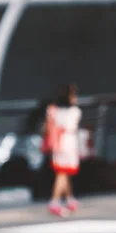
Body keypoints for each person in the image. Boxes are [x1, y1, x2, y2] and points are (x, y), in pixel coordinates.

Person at [44, 84, 82, 216]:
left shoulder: (52, 110)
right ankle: (54, 201)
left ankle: (70, 199)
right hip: (68, 142)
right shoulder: (74, 111)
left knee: (63, 172)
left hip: (57, 143)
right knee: (62, 172)